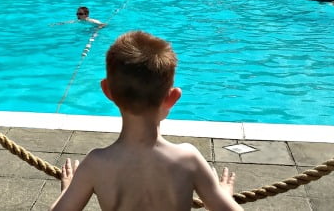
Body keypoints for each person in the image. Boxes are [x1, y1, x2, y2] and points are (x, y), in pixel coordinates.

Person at [50, 31, 242, 211]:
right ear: (173, 97)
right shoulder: (188, 159)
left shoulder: (96, 163)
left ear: (107, 90)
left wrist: (68, 191)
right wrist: (223, 195)